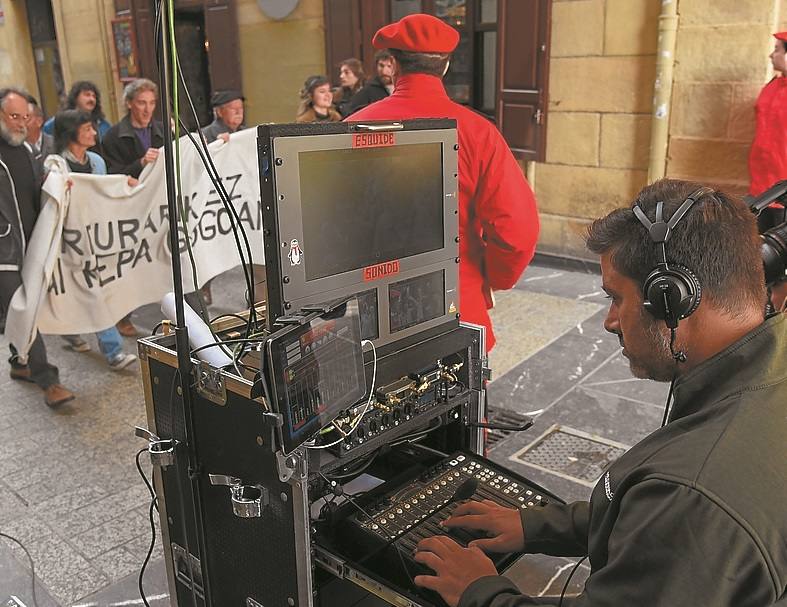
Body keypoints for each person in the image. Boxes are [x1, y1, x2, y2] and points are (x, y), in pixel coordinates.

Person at [413, 179, 787, 607]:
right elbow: (652, 523)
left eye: (616, 298)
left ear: (672, 299)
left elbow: (676, 517)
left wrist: (480, 592)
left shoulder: (692, 494)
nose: (610, 322)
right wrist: (537, 528)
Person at [349, 14, 539, 351]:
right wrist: (490, 277)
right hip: (457, 302)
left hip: (375, 306)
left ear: (392, 65)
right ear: (447, 66)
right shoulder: (478, 132)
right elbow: (517, 231)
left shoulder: (351, 128)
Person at [0, 87, 75, 407]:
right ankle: (49, 381)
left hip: (29, 245)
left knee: (17, 309)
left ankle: (20, 363)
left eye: (25, 117)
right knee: (23, 307)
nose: (21, 123)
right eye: (14, 116)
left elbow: (34, 191)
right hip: (4, 251)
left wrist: (58, 185)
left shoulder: (25, 151)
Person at [52, 110, 139, 371]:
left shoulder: (97, 162)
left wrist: (124, 184)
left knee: (97, 289)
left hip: (94, 238)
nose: (94, 133)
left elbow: (104, 190)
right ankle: (71, 331)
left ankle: (112, 351)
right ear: (71, 133)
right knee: (74, 290)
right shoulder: (55, 165)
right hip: (68, 241)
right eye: (87, 128)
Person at [102, 78, 164, 336]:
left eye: (151, 103)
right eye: (141, 103)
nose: (147, 109)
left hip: (156, 204)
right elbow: (110, 175)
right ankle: (122, 315)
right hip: (128, 209)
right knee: (128, 260)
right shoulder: (114, 136)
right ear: (129, 104)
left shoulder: (162, 129)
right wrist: (139, 163)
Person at [42, 81, 112, 146]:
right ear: (75, 98)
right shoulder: (55, 123)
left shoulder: (103, 125)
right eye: (87, 95)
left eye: (94, 96)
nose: (91, 99)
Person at [345, 50, 394, 115]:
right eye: (381, 66)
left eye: (389, 66)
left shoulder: (404, 88)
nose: (384, 71)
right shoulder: (367, 91)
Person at [24, 97, 54, 164]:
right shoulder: (15, 150)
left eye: (26, 118)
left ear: (39, 121)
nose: (22, 123)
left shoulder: (55, 144)